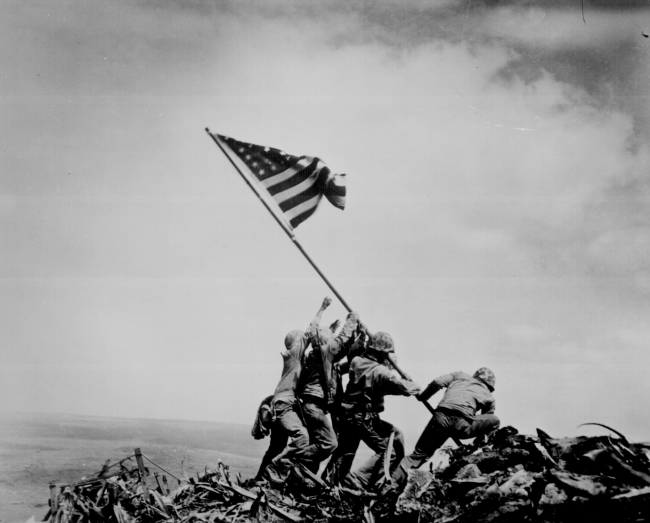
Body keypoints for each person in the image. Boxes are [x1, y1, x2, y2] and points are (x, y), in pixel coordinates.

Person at [323, 331, 421, 491]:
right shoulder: (382, 372)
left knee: (347, 450)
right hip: (363, 418)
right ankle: (359, 481)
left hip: (348, 414)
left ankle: (328, 481)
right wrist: (411, 382)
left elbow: (344, 368)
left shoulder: (356, 361)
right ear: (382, 352)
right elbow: (409, 389)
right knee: (391, 451)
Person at [259, 297, 332, 483]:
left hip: (283, 404)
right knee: (302, 436)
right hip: (285, 404)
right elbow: (309, 332)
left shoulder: (296, 361)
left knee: (276, 445)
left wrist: (330, 331)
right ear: (296, 343)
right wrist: (322, 308)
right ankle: (277, 467)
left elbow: (316, 343)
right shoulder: (293, 355)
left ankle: (260, 479)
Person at [390, 367, 500, 486]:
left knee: (417, 455)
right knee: (495, 420)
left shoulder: (460, 375)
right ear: (490, 385)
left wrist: (423, 397)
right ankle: (477, 447)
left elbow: (437, 382)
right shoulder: (489, 397)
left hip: (439, 419)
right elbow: (485, 421)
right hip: (462, 426)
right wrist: (478, 442)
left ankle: (390, 483)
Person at [298, 309, 359, 473]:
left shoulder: (317, 356)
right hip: (314, 407)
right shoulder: (325, 353)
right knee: (329, 443)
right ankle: (291, 460)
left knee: (316, 444)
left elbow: (344, 349)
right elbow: (339, 343)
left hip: (312, 407)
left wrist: (354, 336)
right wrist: (351, 321)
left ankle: (304, 478)